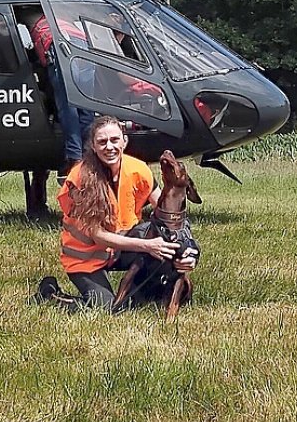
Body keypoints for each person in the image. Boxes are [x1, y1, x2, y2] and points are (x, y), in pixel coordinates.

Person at [44, 115, 192, 312]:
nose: (109, 147)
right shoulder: (79, 178)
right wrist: (147, 245)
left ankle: (154, 291)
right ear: (93, 146)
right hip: (85, 258)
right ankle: (49, 295)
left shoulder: (138, 169)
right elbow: (98, 236)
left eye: (114, 140)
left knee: (144, 289)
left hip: (122, 249)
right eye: (102, 142)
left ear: (125, 141)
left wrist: (186, 253)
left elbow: (168, 219)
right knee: (107, 309)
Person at [30, 12, 85, 177]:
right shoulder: (64, 17)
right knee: (86, 104)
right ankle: (88, 153)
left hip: (58, 47)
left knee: (67, 104)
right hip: (83, 46)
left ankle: (75, 157)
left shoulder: (33, 21)